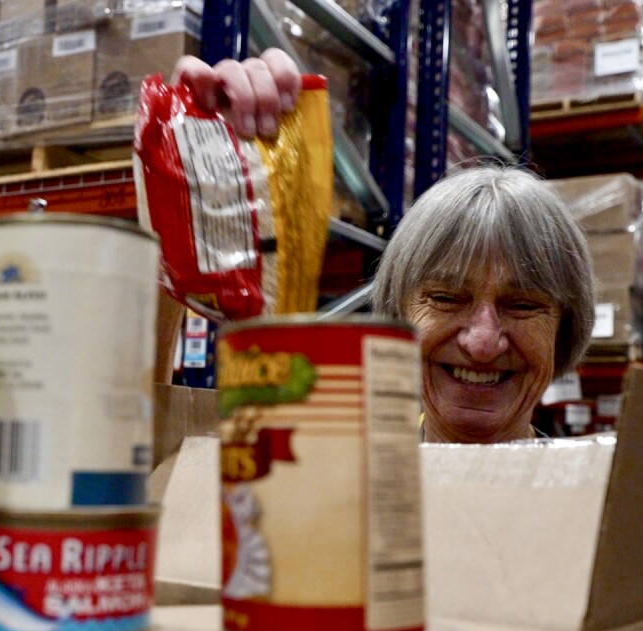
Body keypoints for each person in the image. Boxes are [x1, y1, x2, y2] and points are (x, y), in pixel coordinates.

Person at [172, 51, 596, 444]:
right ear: (398, 317)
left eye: (522, 306)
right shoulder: (334, 475)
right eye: (446, 298)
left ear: (564, 332)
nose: (482, 343)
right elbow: (148, 447)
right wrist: (179, 207)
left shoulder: (602, 493)